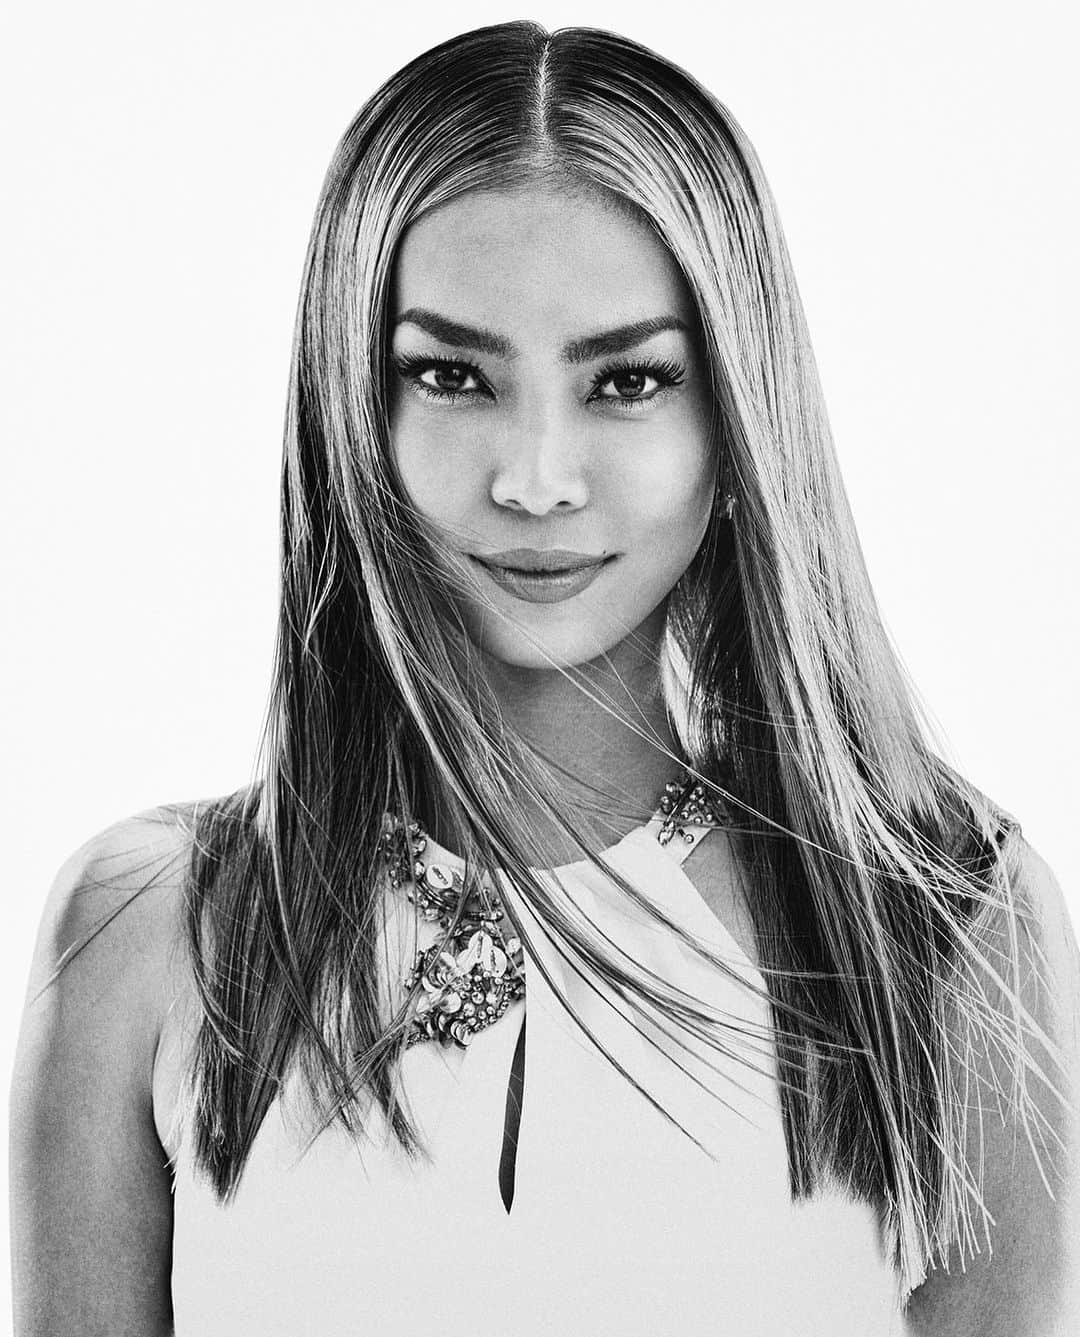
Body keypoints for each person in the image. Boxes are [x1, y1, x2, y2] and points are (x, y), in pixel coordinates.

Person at [10, 19, 1079, 1336]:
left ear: (737, 411)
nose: (534, 478)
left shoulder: (944, 919)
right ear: (350, 409)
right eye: (451, 375)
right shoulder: (145, 933)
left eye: (627, 380)